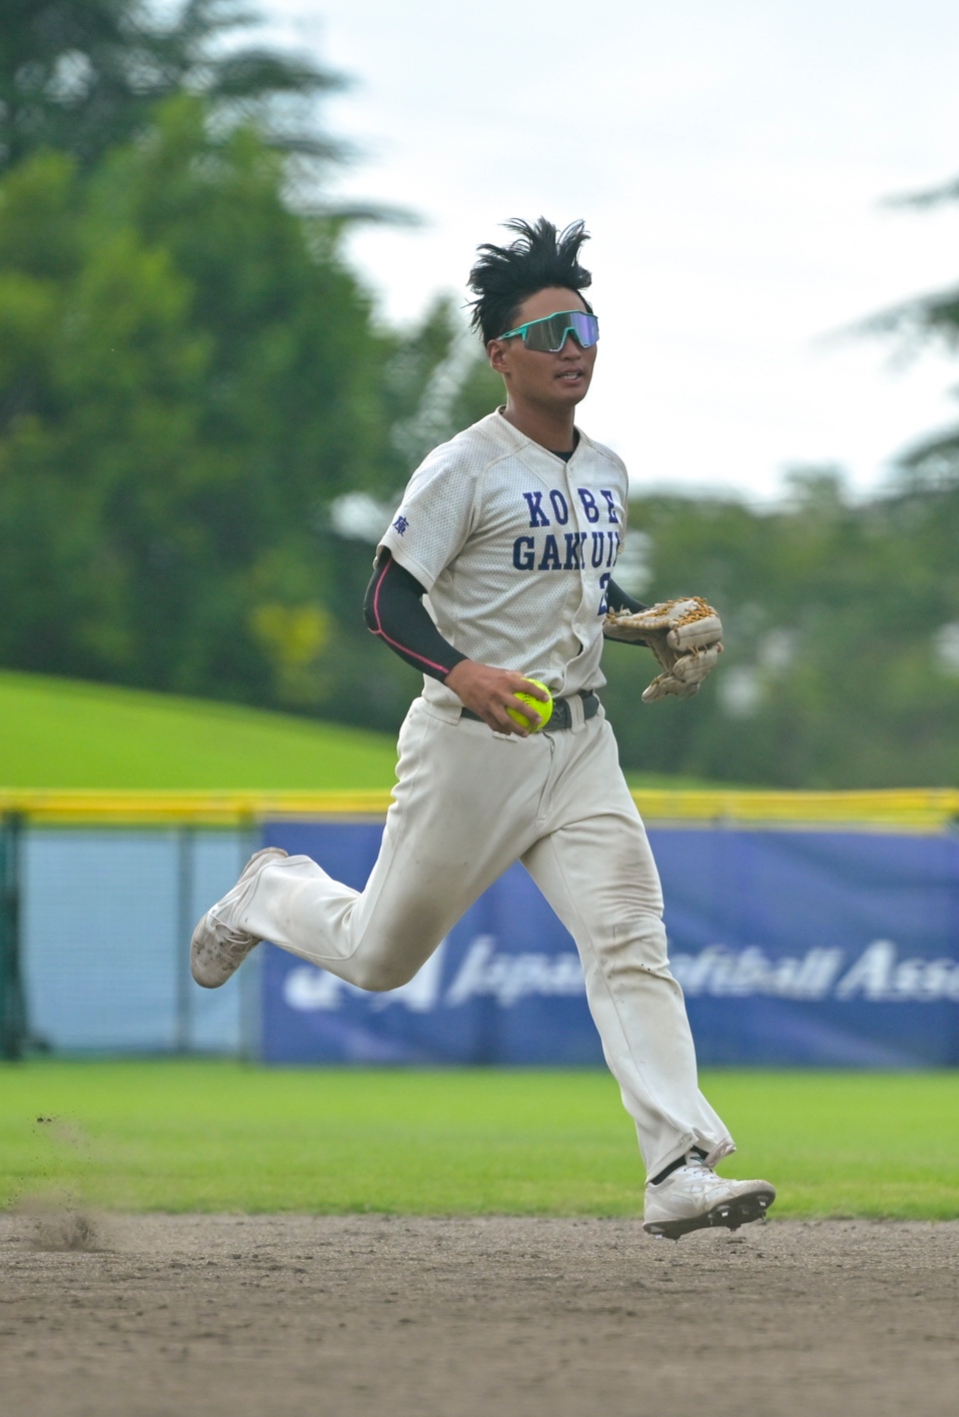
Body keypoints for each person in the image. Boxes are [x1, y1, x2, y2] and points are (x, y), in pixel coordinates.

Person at [186, 219, 775, 1240]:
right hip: (469, 745)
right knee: (379, 957)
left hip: (580, 746)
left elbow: (576, 589)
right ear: (502, 355)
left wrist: (641, 625)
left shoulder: (607, 470)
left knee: (629, 938)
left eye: (584, 327)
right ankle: (271, 891)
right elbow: (385, 601)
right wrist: (462, 671)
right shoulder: (462, 467)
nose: (573, 348)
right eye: (549, 334)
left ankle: (678, 1166)